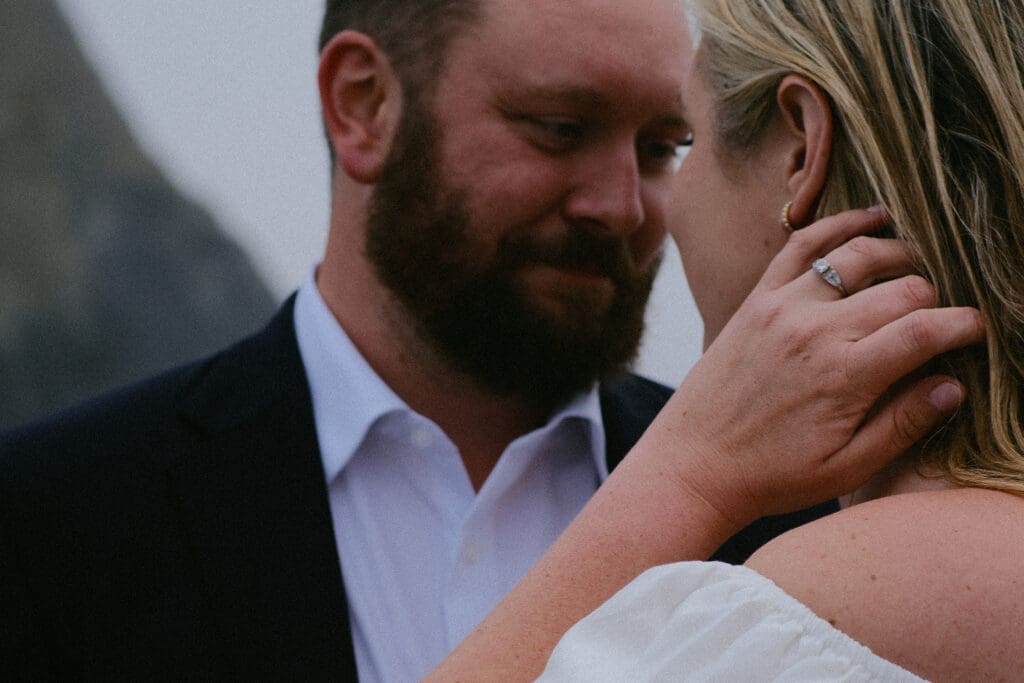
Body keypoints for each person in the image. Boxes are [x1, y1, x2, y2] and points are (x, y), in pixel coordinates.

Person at [0, 0, 982, 681]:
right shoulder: (51, 518)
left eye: (660, 148)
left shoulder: (817, 521)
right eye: (557, 128)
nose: (615, 204)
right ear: (362, 105)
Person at [427, 0, 1023, 680]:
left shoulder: (794, 624)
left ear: (802, 149)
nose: (640, 210)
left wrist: (684, 473)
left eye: (683, 142)